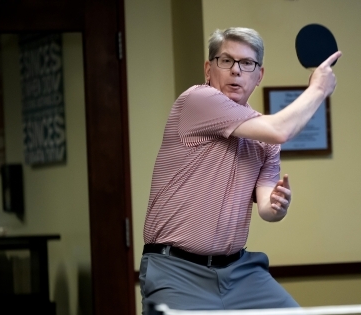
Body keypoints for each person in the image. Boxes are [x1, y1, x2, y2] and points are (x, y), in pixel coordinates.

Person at [139, 27, 340, 312]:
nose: (236, 71)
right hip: (177, 271)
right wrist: (318, 89)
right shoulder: (197, 100)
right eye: (226, 61)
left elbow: (266, 208)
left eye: (247, 64)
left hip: (240, 272)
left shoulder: (263, 135)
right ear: (209, 69)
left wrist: (277, 206)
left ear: (259, 76)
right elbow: (280, 129)